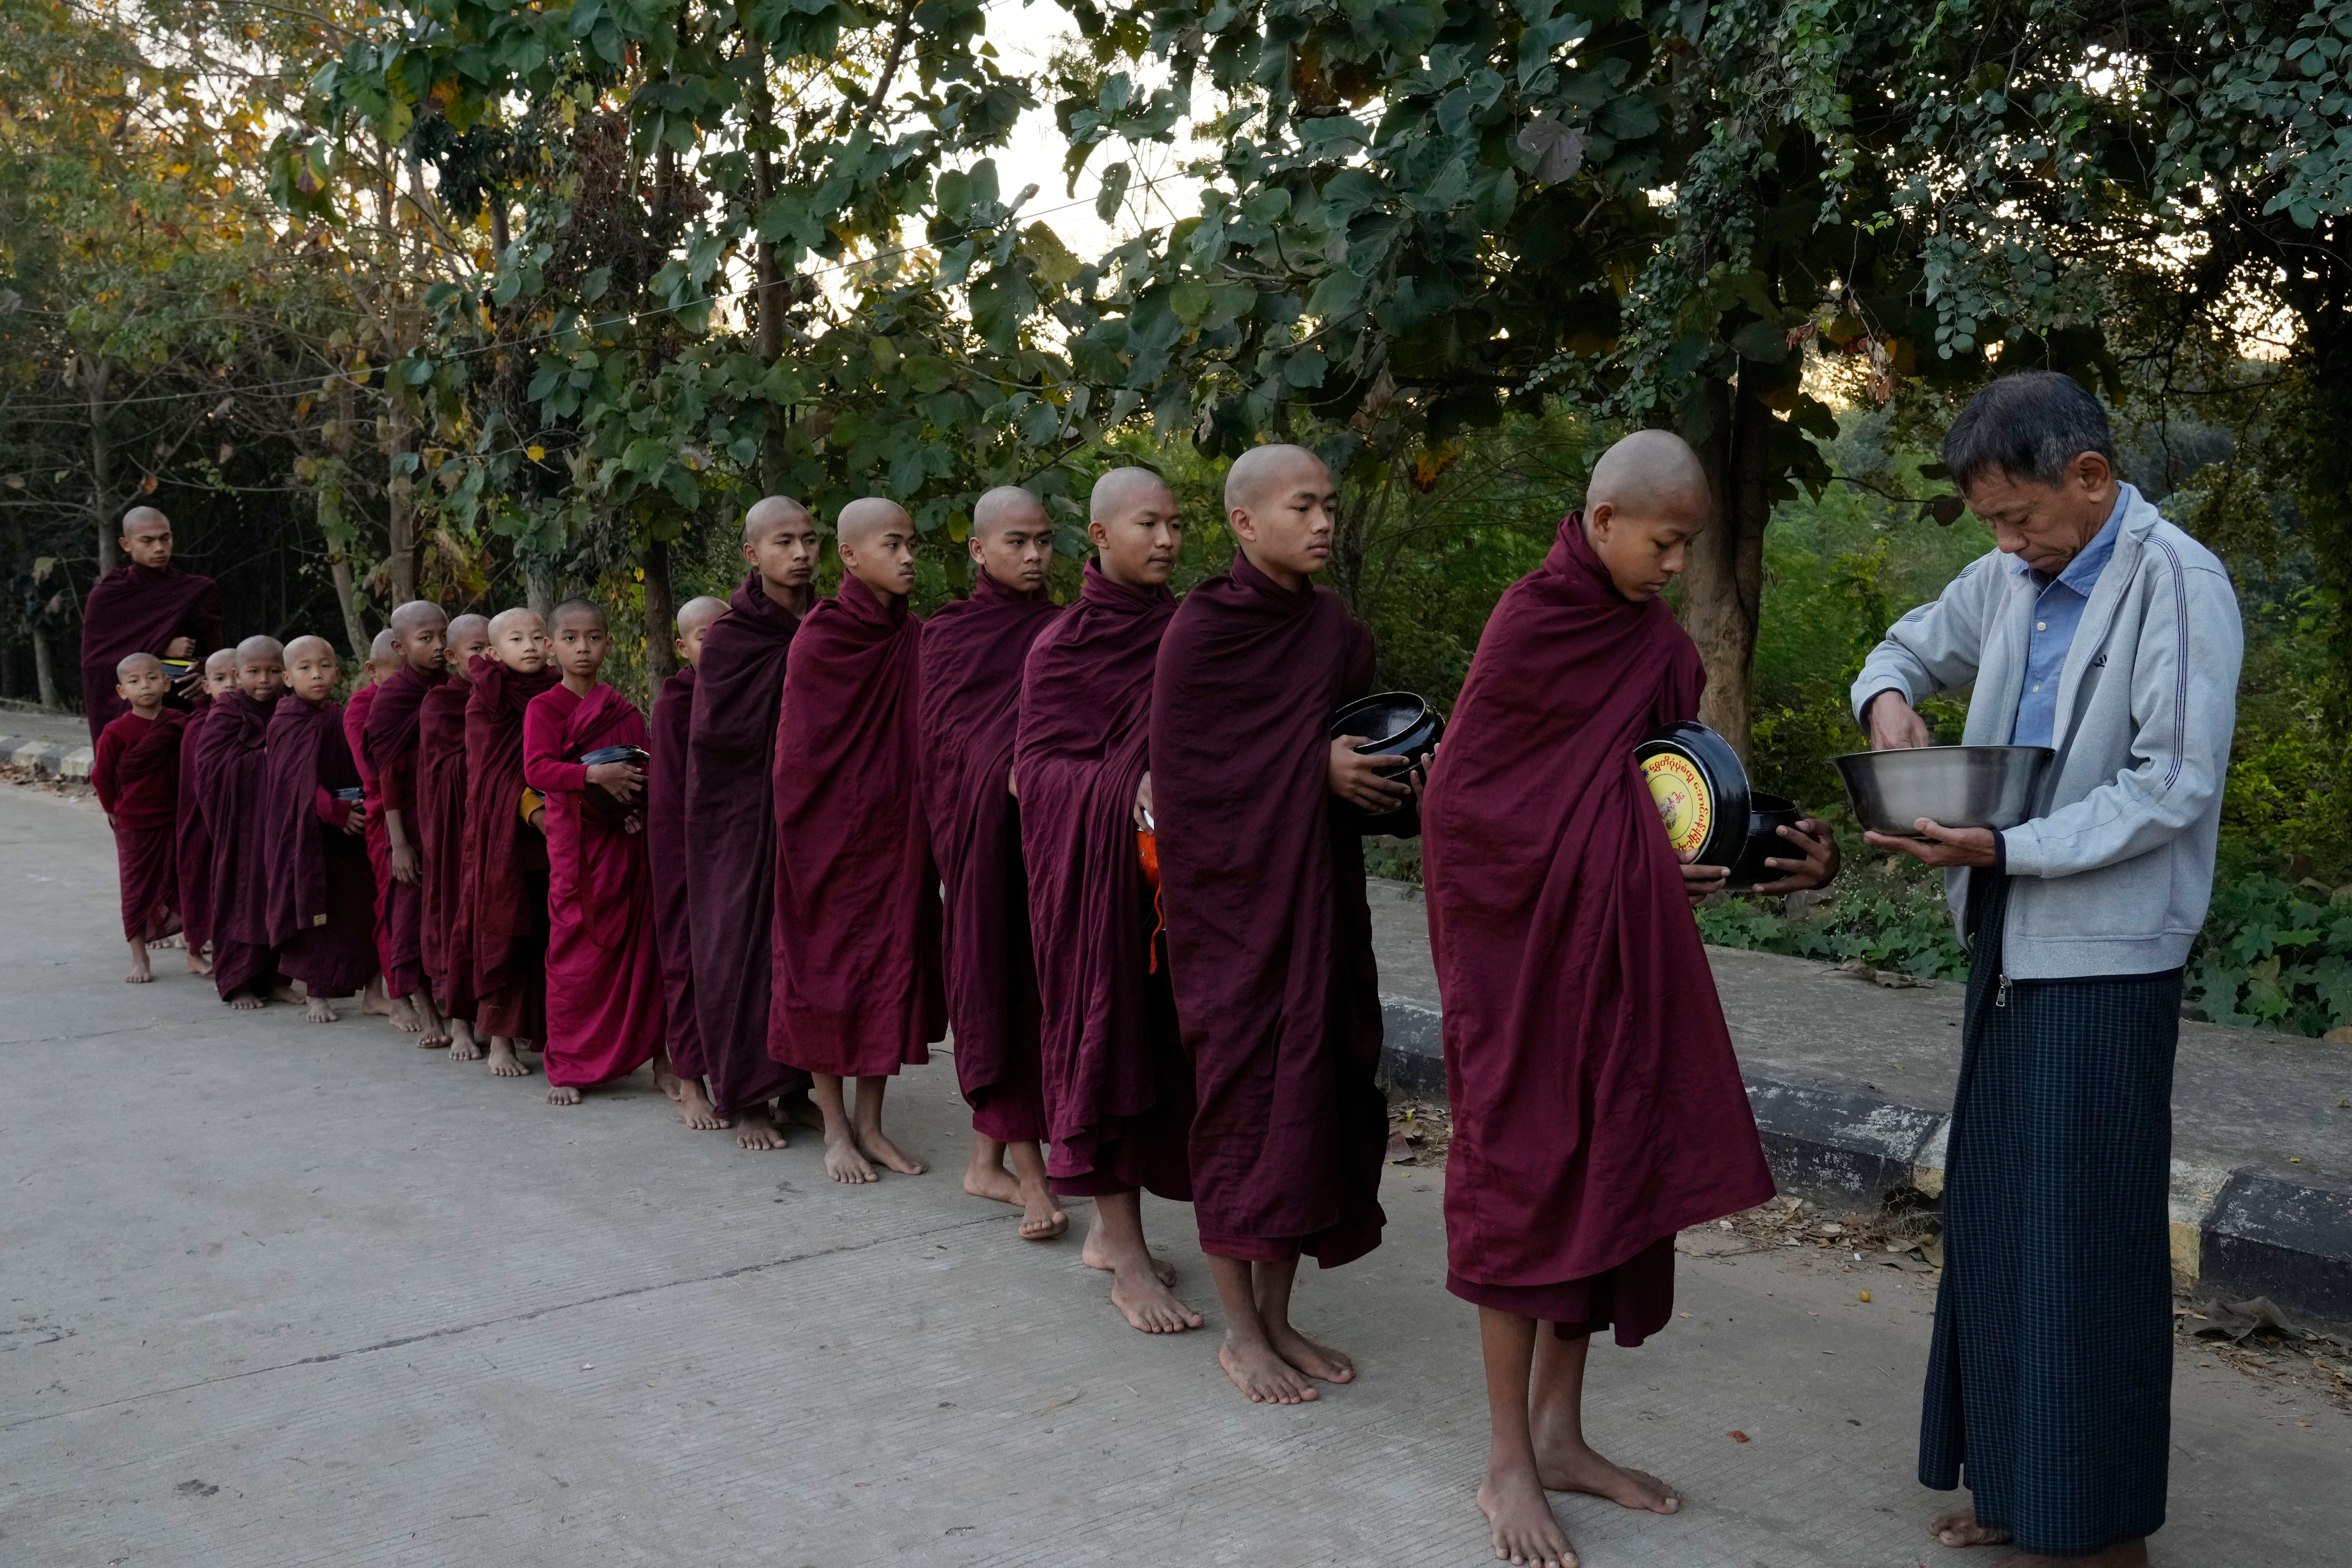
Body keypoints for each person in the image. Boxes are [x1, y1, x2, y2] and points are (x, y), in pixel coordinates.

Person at [1421, 430, 1833, 1568]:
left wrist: (1783, 849)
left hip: (1611, 958)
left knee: (1603, 1175)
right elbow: (1462, 808)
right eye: (1661, 543)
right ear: (1601, 521)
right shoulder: (1530, 623)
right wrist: (1631, 859)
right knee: (1519, 1179)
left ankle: (1560, 1433)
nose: (1672, 566)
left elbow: (1676, 792)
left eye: (1688, 546)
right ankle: (1504, 1455)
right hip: (1516, 965)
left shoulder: (1656, 648)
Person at [1850, 372, 2241, 1568]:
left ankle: (2099, 1526)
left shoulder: (2179, 581)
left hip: (2106, 955)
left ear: (2091, 476)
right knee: (2002, 1214)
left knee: (2089, 1237)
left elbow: (2174, 780)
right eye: (1990, 525)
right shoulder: (2013, 575)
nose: (2008, 544)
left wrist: (2014, 844)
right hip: (2011, 935)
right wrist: (1888, 702)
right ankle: (2021, 1484)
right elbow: (1908, 643)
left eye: (2020, 517)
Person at [1150, 444, 1389, 1403]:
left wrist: (1381, 771)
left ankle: (1280, 1313)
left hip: (1322, 901)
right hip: (1231, 915)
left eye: (1331, 503)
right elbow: (1188, 777)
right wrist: (1311, 768)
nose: (1325, 521)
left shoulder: (1334, 630)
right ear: (1246, 522)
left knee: (1314, 1101)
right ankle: (1239, 1330)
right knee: (1242, 1105)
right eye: (1304, 506)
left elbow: (1355, 741)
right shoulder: (1201, 632)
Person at [1018, 467, 1205, 1333]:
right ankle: (1124, 1254)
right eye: (1146, 525)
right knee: (1104, 1050)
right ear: (1097, 534)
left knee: (1170, 1061)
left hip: (1189, 891)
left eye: (1174, 524)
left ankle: (1117, 1231)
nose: (1166, 540)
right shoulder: (1064, 645)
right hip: (1098, 893)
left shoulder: (1194, 633)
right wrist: (1122, 784)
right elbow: (1036, 773)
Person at [769, 497, 945, 1182]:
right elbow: (798, 755)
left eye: (912, 545)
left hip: (898, 836)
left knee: (889, 974)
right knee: (824, 976)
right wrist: (818, 831)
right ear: (851, 556)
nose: (907, 558)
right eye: (892, 545)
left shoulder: (917, 637)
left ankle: (873, 1125)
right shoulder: (823, 637)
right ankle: (836, 1129)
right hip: (826, 839)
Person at [919, 486, 1067, 1239]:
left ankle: (986, 1165)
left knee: (1044, 1003)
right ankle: (1034, 1181)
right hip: (988, 847)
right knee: (1001, 994)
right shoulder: (951, 636)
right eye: (1018, 542)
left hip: (1055, 850)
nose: (1036, 555)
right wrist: (1003, 770)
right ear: (978, 550)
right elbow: (947, 743)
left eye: (1044, 540)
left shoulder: (1066, 631)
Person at [687, 498, 824, 1149]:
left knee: (805, 950)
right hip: (740, 818)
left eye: (809, 540)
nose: (800, 553)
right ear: (752, 554)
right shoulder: (734, 639)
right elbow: (716, 739)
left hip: (814, 813)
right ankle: (744, 1097)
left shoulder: (831, 623)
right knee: (739, 948)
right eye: (784, 542)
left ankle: (798, 1090)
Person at [522, 600, 668, 1105]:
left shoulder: (623, 710)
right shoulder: (543, 708)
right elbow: (537, 770)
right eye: (571, 638)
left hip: (624, 845)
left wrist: (634, 805)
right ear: (551, 646)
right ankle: (567, 1065)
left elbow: (645, 768)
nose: (583, 648)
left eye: (594, 638)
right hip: (575, 849)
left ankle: (657, 1062)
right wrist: (592, 775)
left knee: (641, 952)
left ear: (609, 642)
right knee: (572, 955)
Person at [463, 608, 559, 1078]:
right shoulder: (488, 699)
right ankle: (500, 1040)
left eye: (537, 637)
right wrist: (534, 812)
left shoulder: (560, 689)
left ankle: (550, 1036)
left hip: (559, 838)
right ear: (494, 653)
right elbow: (488, 775)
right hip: (507, 839)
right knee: (507, 935)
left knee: (552, 936)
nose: (529, 646)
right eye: (517, 639)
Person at [648, 594, 730, 1131]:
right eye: (704, 637)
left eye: (726, 634)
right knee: (687, 963)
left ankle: (774, 1087)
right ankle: (693, 1082)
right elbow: (672, 790)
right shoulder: (675, 702)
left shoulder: (749, 689)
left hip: (739, 844)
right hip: (684, 848)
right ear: (682, 647)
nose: (717, 646)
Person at [264, 636, 377, 1023]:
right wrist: (337, 813)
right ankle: (316, 994)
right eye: (306, 668)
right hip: (307, 834)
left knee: (353, 908)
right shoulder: (285, 720)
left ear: (338, 672)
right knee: (315, 909)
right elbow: (293, 781)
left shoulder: (337, 715)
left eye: (325, 666)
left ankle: (367, 992)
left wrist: (359, 805)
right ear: (288, 678)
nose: (317, 675)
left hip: (346, 832)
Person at [365, 601, 452, 1046]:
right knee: (410, 916)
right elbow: (388, 777)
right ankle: (429, 1015)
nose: (439, 646)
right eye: (426, 639)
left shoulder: (456, 687)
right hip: (411, 826)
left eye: (444, 635)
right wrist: (398, 843)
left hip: (451, 821)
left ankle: (457, 1013)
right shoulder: (393, 699)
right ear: (400, 647)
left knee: (451, 914)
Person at [195, 635, 295, 1009]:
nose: (264, 680)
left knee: (281, 897)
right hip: (242, 828)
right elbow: (210, 770)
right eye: (254, 672)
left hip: (281, 824)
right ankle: (238, 981)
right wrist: (267, 758)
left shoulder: (291, 707)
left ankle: (277, 978)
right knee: (242, 898)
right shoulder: (226, 712)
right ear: (237, 675)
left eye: (273, 671)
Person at [78, 506, 219, 743]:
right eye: (148, 541)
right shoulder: (108, 596)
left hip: (185, 703)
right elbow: (97, 664)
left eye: (166, 539)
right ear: (126, 544)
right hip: (136, 710)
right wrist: (161, 648)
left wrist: (206, 670)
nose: (159, 549)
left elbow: (216, 651)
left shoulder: (197, 591)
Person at [91, 652, 188, 983]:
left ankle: (189, 941)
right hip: (133, 821)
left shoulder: (180, 723)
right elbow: (102, 777)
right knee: (135, 888)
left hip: (177, 816)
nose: (144, 686)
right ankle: (139, 955)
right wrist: (113, 811)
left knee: (182, 879)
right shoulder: (116, 732)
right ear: (122, 692)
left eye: (151, 678)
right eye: (134, 681)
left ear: (166, 682)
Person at [419, 614, 491, 1061]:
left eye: (492, 648)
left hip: (500, 825)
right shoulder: (440, 703)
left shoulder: (512, 695)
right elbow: (440, 770)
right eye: (476, 651)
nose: (487, 659)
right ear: (452, 657)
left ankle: (501, 1019)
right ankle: (460, 1024)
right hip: (454, 831)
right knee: (458, 916)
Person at [346, 629, 401, 1022]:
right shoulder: (362, 707)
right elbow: (372, 772)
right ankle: (395, 998)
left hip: (429, 814)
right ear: (372, 670)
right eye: (396, 674)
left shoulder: (425, 695)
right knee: (392, 906)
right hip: (386, 815)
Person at [175, 649, 239, 978]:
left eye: (236, 676)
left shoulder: (257, 716)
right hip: (201, 818)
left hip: (241, 816)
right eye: (220, 679)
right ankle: (195, 947)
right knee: (200, 873)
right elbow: (192, 786)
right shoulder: (199, 725)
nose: (229, 685)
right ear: (206, 686)